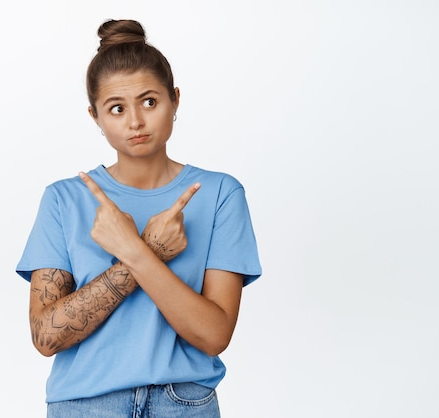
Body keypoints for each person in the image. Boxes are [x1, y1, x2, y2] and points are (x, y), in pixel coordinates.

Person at [16, 18, 262, 418]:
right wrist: (144, 252)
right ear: (96, 116)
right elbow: (46, 337)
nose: (135, 121)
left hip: (184, 402)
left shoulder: (220, 194)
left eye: (149, 102)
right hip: (83, 405)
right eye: (116, 108)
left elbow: (214, 335)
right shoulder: (64, 199)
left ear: (175, 100)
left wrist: (135, 251)